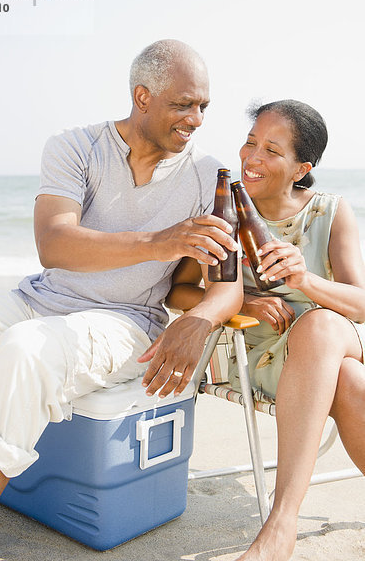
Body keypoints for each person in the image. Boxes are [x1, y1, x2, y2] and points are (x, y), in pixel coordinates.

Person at [0, 39, 243, 561]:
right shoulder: (75, 146)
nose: (196, 119)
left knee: (27, 348)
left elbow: (228, 282)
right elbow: (54, 245)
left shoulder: (207, 175)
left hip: (126, 323)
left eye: (203, 107)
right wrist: (160, 242)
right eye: (183, 104)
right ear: (142, 96)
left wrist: (200, 321)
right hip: (41, 300)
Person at [166, 99, 365, 561]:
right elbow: (178, 292)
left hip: (329, 343)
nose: (252, 157)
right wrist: (245, 299)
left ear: (301, 168)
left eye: (271, 150)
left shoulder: (330, 213)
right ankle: (283, 521)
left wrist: (305, 281)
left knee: (319, 326)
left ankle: (281, 522)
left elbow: (361, 304)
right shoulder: (223, 213)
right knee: (351, 380)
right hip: (254, 354)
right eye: (251, 142)